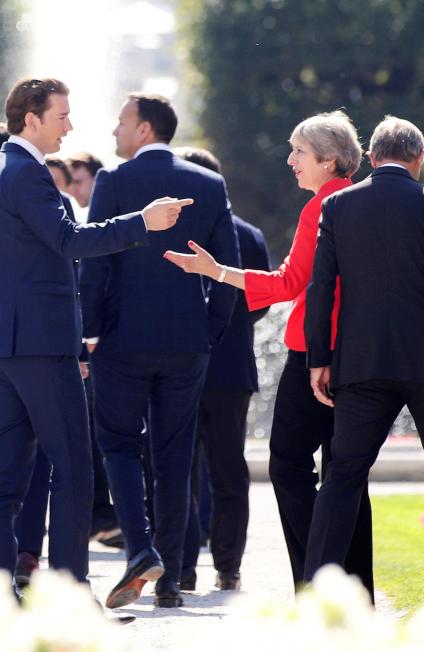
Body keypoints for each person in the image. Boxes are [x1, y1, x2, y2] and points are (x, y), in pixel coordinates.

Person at [0, 77, 190, 591]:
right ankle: (69, 597)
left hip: (7, 345)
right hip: (41, 347)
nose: (69, 126)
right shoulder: (25, 172)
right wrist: (143, 221)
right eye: (61, 116)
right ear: (31, 119)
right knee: (72, 470)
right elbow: (68, 239)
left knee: (5, 480)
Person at [164, 111, 374, 597]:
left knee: (288, 466)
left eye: (299, 151)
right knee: (346, 476)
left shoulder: (321, 207)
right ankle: (352, 587)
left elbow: (287, 283)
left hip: (313, 355)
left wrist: (217, 272)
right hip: (359, 357)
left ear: (328, 159)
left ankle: (315, 579)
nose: (291, 160)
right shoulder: (361, 201)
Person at [303, 116, 424, 623]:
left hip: (361, 362)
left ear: (371, 158)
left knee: (341, 477)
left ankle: (315, 604)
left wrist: (319, 359)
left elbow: (321, 289)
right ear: (419, 159)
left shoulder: (338, 205)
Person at [80, 94, 239, 609]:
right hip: (186, 343)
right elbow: (228, 272)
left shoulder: (114, 182)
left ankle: (141, 550)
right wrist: (208, 331)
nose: (114, 131)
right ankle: (169, 578)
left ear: (144, 129)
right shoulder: (210, 184)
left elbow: (96, 264)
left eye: (121, 121)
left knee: (119, 446)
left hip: (122, 342)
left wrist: (90, 332)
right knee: (174, 459)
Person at [174, 146, 271, 592]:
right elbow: (261, 301)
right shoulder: (248, 235)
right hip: (231, 367)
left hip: (180, 367)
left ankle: (183, 567)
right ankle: (228, 566)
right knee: (229, 471)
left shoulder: (172, 233)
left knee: (178, 469)